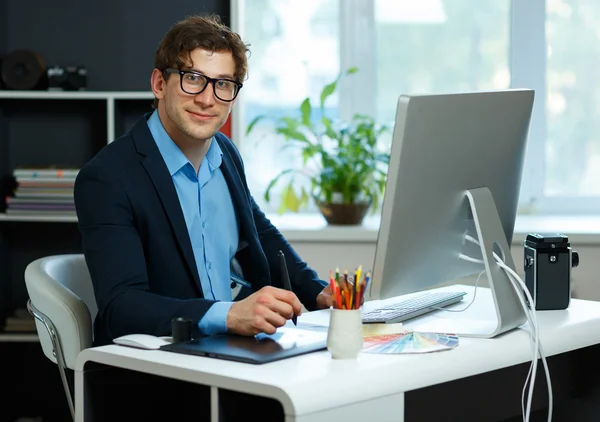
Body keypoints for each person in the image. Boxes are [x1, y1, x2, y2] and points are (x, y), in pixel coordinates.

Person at [73, 13, 336, 347]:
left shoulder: (225, 153)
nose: (207, 99)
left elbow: (262, 234)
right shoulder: (107, 178)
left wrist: (318, 293)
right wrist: (228, 315)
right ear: (159, 84)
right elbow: (121, 308)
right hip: (163, 364)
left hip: (233, 349)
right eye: (193, 78)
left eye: (223, 84)